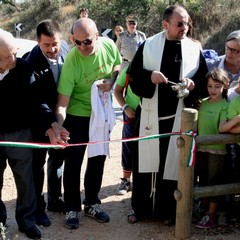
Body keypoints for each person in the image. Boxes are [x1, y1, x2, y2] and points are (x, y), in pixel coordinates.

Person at [127, 4, 208, 224]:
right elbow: (133, 76)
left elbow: (204, 80)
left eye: (187, 23)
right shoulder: (148, 45)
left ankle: (167, 212)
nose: (185, 27)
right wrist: (149, 76)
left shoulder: (193, 48)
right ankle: (141, 209)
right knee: (145, 165)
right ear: (165, 25)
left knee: (171, 167)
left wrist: (193, 84)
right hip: (150, 119)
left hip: (178, 119)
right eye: (180, 24)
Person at [54, 18, 121, 230]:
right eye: (78, 42)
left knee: (98, 159)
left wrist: (112, 80)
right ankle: (72, 207)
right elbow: (62, 104)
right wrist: (60, 125)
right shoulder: (72, 62)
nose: (83, 47)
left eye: (88, 42)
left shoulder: (109, 46)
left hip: (101, 114)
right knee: (73, 162)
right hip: (77, 115)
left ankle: (92, 202)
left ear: (97, 37)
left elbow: (117, 64)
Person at [25, 19, 69, 227]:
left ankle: (54, 199)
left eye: (55, 44)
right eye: (46, 45)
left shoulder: (68, 50)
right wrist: (52, 125)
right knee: (37, 164)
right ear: (37, 42)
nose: (52, 49)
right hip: (39, 121)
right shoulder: (29, 63)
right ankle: (37, 208)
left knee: (58, 159)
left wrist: (59, 122)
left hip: (61, 117)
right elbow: (36, 101)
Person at [0, 30, 41, 239]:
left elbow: (36, 101)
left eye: (15, 53)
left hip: (20, 134)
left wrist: (52, 123)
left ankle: (27, 221)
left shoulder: (24, 68)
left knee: (25, 180)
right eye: (8, 56)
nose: (14, 59)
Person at [207, 30, 240, 223]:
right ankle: (212, 207)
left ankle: (229, 209)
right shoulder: (212, 64)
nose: (231, 53)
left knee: (234, 168)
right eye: (229, 48)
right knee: (214, 169)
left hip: (234, 128)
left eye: (236, 51)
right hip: (214, 126)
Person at [194, 68, 229, 229]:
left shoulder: (225, 106)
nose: (213, 90)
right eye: (210, 86)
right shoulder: (202, 103)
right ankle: (203, 210)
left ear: (225, 86)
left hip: (217, 150)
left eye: (217, 86)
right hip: (201, 149)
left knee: (215, 180)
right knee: (203, 179)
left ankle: (212, 214)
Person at [114, 66, 140, 195]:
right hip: (131, 115)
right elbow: (117, 90)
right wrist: (125, 108)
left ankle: (143, 181)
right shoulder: (129, 69)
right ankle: (126, 180)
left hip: (150, 116)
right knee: (128, 146)